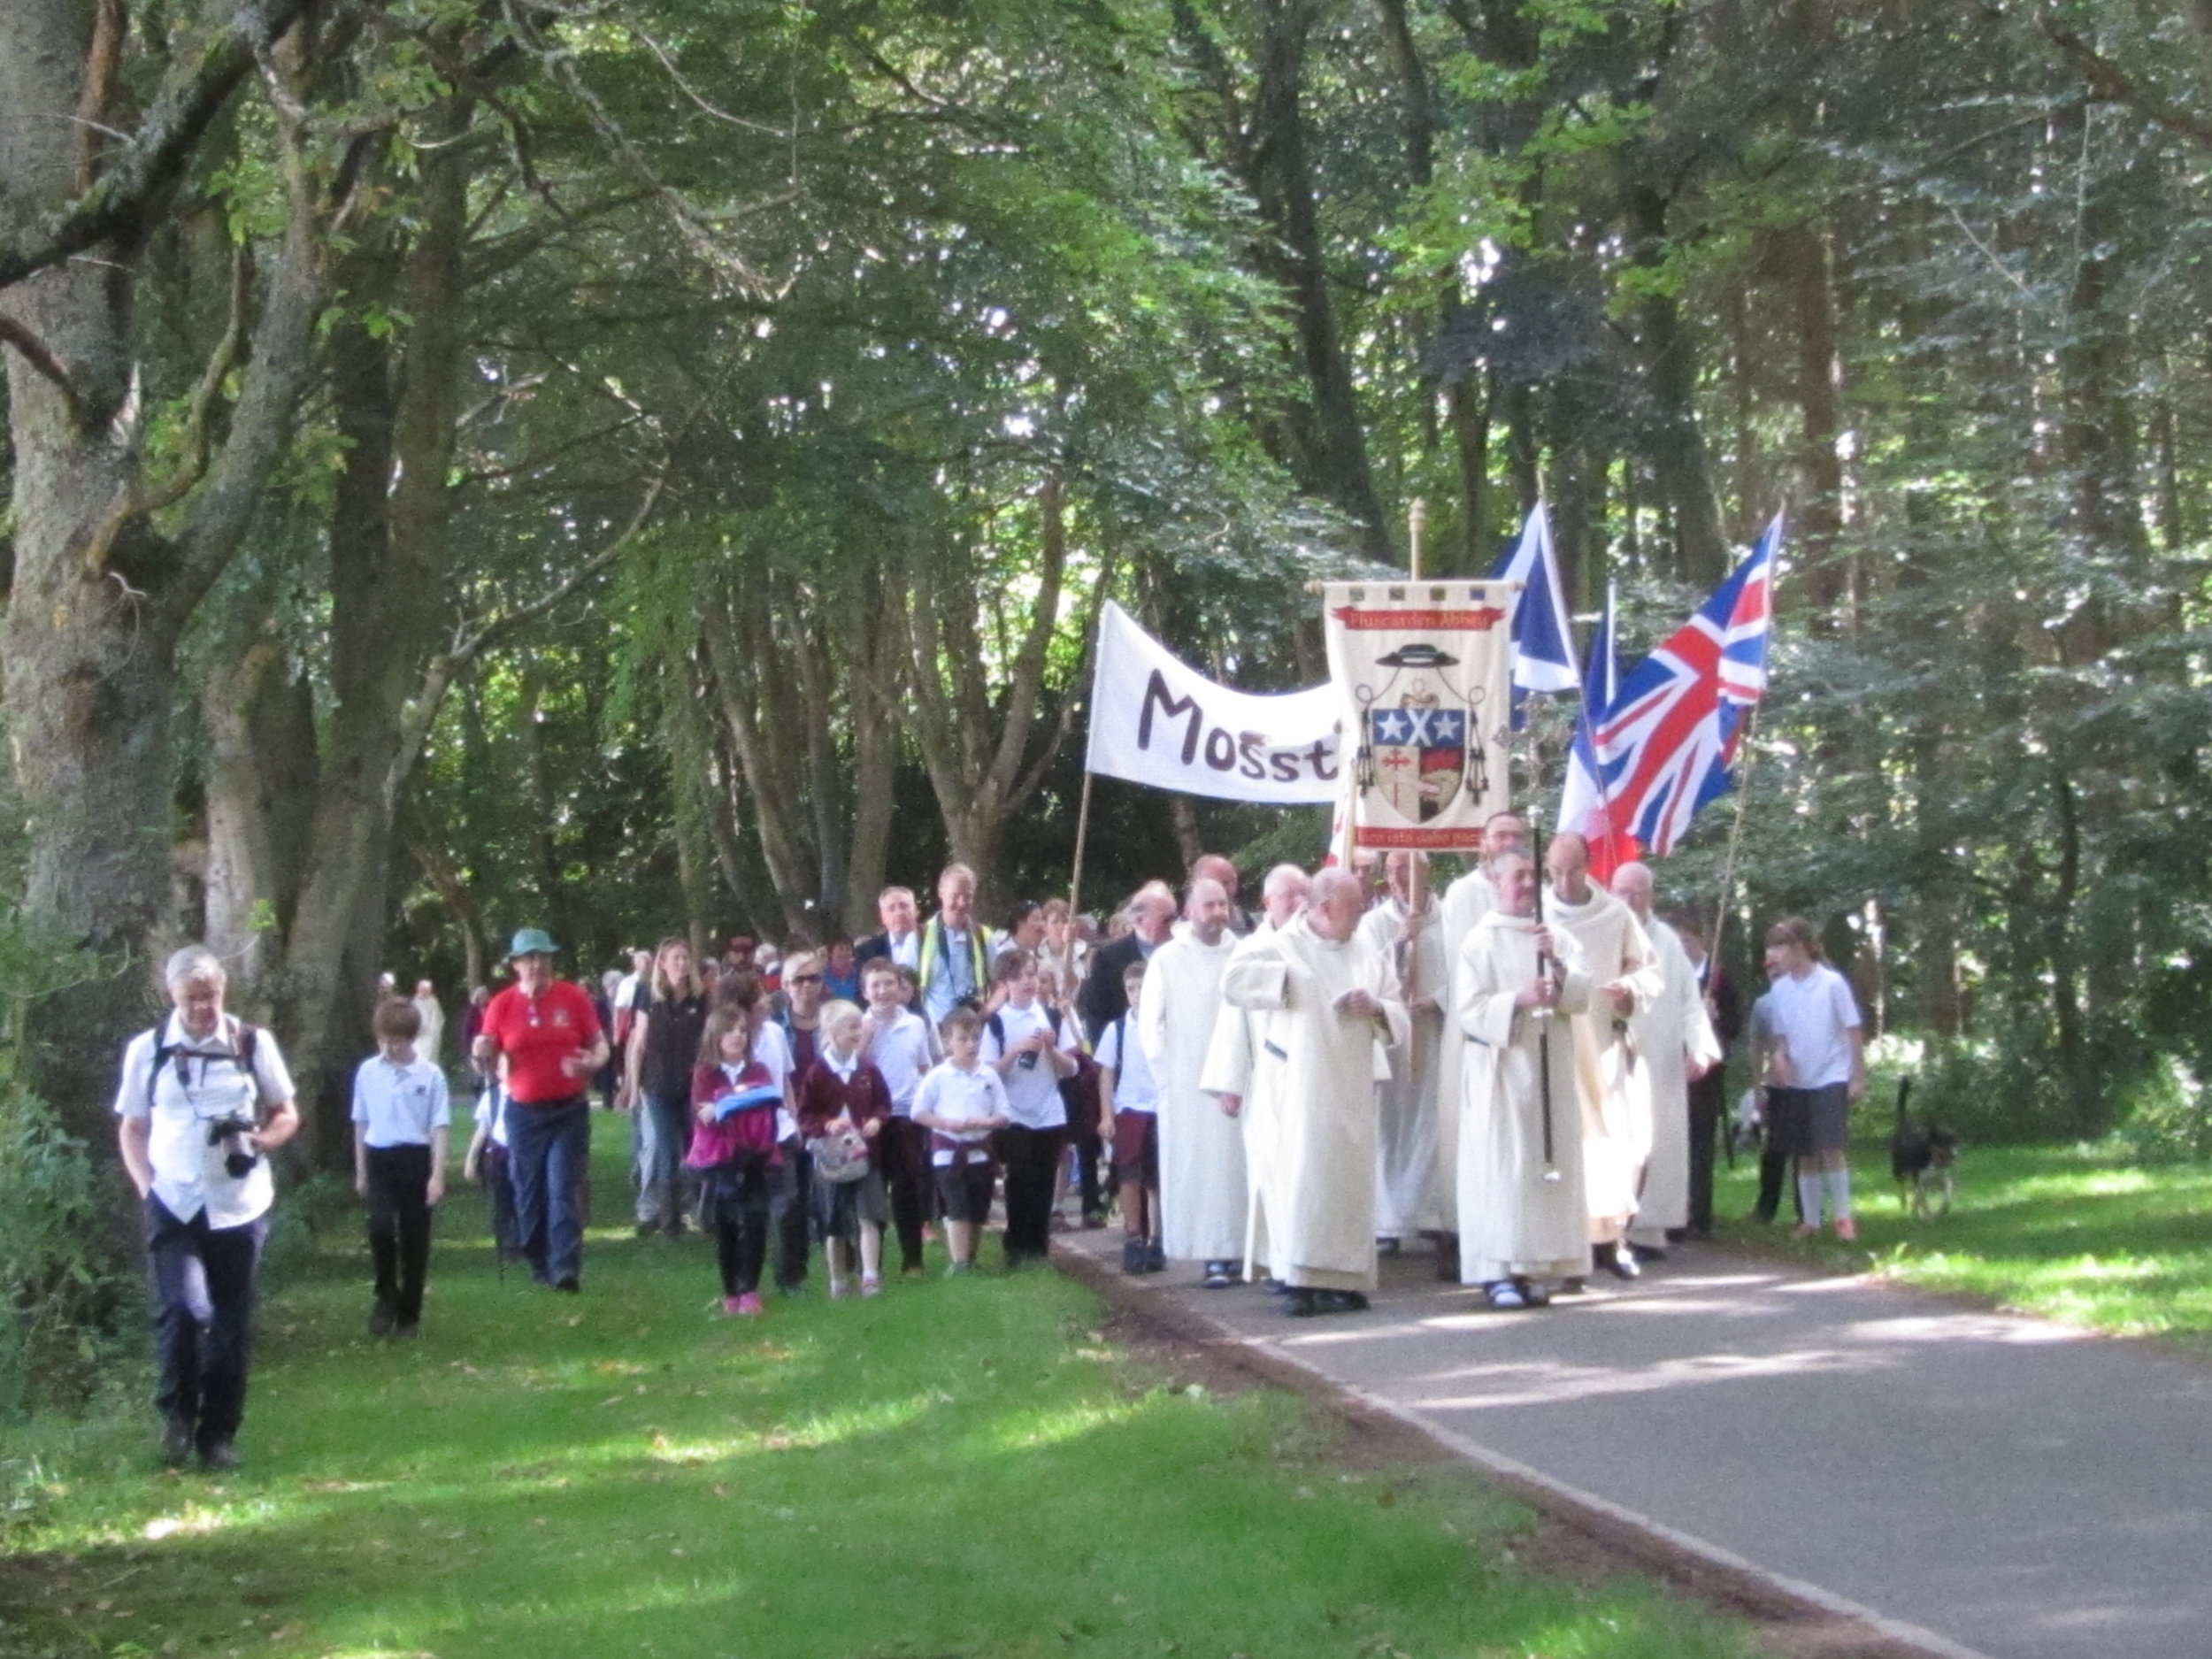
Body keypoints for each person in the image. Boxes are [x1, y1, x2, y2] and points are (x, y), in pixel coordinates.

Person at [114, 945, 301, 1471]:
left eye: (211, 995)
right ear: (172, 995)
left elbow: (287, 1112)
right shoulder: (147, 1051)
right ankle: (176, 1417)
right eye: (192, 998)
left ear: (224, 991)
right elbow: (131, 1127)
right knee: (183, 1309)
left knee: (231, 1322)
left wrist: (259, 1142)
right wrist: (146, 1186)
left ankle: (218, 1437)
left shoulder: (250, 1043)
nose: (203, 1007)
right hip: (173, 1200)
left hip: (239, 1203)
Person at [1219, 868, 1408, 1317]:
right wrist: (1288, 982)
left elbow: (1396, 1007)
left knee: (1346, 1184)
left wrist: (1376, 1007)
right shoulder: (1279, 945)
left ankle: (1343, 1279)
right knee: (1304, 1182)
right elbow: (1233, 981)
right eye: (1353, 906)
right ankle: (1299, 1281)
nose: (1361, 914)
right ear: (1323, 908)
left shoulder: (1365, 952)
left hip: (1351, 1088)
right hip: (1298, 1088)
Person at [1453, 850, 1592, 1308]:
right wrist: (1519, 998)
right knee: (1503, 1170)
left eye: (1533, 875)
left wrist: (1558, 970)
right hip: (1503, 1072)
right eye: (1518, 876)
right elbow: (1469, 1012)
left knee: (1541, 1169)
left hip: (1549, 1064)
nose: (1527, 884)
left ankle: (1535, 1267)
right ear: (1496, 882)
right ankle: (1497, 1272)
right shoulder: (1479, 943)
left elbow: (1581, 995)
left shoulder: (1554, 936)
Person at [1540, 833, 1662, 1283]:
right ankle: (1565, 1245)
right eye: (1555, 871)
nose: (1564, 881)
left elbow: (1648, 972)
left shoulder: (1615, 914)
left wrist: (1630, 991)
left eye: (1572, 871)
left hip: (1605, 1046)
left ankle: (1611, 1239)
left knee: (1615, 1147)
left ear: (1588, 865)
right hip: (1556, 1046)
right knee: (1564, 1148)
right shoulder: (1538, 916)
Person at [472, 928, 608, 1293]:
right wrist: (481, 1051)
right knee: (528, 1193)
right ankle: (538, 1260)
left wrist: (590, 1064)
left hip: (569, 1109)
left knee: (562, 1186)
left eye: (543, 958)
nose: (537, 965)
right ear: (516, 965)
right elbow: (484, 1061)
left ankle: (565, 1268)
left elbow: (600, 1046)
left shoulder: (573, 997)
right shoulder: (501, 1005)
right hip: (524, 1113)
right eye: (529, 959)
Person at [1200, 863, 1309, 1281]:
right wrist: (1231, 1082)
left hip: (1313, 1084)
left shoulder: (1320, 944)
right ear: (1267, 902)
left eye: (1304, 894)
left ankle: (1303, 1263)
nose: (1299, 903)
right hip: (1267, 1084)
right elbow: (1233, 1022)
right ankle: (1278, 1265)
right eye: (1289, 895)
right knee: (1272, 1175)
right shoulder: (1253, 950)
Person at [1432, 811, 1528, 1266]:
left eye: (1516, 835)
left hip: (1526, 1029)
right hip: (1473, 1023)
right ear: (1482, 843)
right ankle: (1459, 1230)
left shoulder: (1533, 894)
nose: (1508, 841)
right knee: (1465, 1132)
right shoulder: (1462, 894)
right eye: (1500, 835)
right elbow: (1462, 965)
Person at [1612, 864, 1722, 1256]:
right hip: (1610, 1056)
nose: (1628, 900)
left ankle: (1648, 1228)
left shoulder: (1668, 943)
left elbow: (1690, 1004)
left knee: (1658, 1139)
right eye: (1621, 892)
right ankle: (1606, 1229)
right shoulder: (1604, 933)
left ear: (1650, 896)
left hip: (1658, 1059)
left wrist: (1700, 1046)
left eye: (1636, 893)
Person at [1141, 877, 1243, 1286]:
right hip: (1187, 1084)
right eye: (1209, 905)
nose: (1218, 913)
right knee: (1203, 1171)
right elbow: (1152, 1026)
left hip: (1236, 1080)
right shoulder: (1167, 960)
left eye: (1223, 904)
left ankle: (1240, 1249)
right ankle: (1212, 1254)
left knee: (1237, 1168)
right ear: (1189, 910)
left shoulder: (1243, 954)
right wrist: (1169, 1078)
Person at [1749, 917, 1867, 1240]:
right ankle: (1810, 1220)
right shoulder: (1781, 990)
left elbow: (1852, 1029)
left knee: (1830, 1146)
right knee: (1803, 1151)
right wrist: (1779, 1058)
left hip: (1830, 1075)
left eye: (1779, 947)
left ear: (1800, 948)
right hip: (1798, 1079)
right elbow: (1781, 1035)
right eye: (1770, 948)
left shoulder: (1832, 983)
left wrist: (1857, 1075)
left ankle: (1843, 1217)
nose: (1773, 956)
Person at [1356, 851, 1448, 1256]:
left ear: (1426, 872)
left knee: (1434, 1121)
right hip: (1394, 1036)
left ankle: (1430, 1213)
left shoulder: (1451, 920)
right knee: (1391, 1125)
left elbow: (1467, 970)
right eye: (1391, 871)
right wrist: (1399, 942)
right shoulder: (1374, 924)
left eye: (1407, 870)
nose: (1398, 879)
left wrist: (1438, 1000)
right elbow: (1363, 974)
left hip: (1435, 1031)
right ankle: (1388, 1219)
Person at [352, 997, 451, 1339]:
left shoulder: (430, 1074)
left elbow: (439, 1126)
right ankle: (385, 1293)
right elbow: (361, 1122)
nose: (391, 1047)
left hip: (415, 1157)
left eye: (398, 1040)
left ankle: (410, 1313)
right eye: (385, 1039)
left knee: (414, 1236)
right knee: (380, 1227)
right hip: (379, 1156)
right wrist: (361, 1171)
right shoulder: (368, 1072)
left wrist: (437, 1174)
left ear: (412, 1038)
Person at [978, 949, 1079, 1267]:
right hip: (1014, 1112)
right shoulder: (996, 1023)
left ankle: (1039, 1247)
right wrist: (1015, 1051)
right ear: (1005, 983)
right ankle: (1017, 1246)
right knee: (1019, 1178)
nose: (1028, 982)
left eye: (1032, 974)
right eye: (1019, 976)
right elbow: (987, 1071)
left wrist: (1050, 1048)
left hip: (1049, 1110)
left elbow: (1071, 1068)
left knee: (1044, 1179)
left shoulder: (1051, 1016)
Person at [688, 1000, 784, 1316]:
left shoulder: (759, 1070)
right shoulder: (705, 1073)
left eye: (743, 1030)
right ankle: (731, 1288)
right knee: (726, 1222)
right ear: (716, 1036)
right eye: (730, 1030)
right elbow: (705, 1114)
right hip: (722, 1160)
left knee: (756, 1218)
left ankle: (751, 1288)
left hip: (755, 1155)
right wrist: (738, 1102)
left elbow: (768, 1102)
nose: (738, 1036)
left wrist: (727, 1104)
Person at [796, 1000, 893, 1298]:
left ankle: (870, 1276)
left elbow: (883, 1103)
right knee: (834, 1223)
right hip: (832, 1161)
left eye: (859, 1026)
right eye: (852, 1026)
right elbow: (805, 1115)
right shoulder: (818, 1072)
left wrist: (877, 1120)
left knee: (868, 1215)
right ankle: (837, 1281)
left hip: (866, 1156)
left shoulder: (867, 1069)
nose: (858, 1031)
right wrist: (826, 1124)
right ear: (833, 1031)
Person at [912, 1007, 1010, 1273]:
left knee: (978, 1208)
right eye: (963, 1038)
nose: (971, 1045)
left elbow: (1003, 1112)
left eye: (976, 1038)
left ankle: (971, 1257)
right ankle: (958, 1263)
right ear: (948, 1041)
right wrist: (946, 1124)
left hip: (980, 1151)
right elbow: (918, 1112)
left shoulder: (988, 1075)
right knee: (957, 1207)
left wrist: (988, 1122)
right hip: (949, 1153)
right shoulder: (938, 1076)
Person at [857, 956, 938, 1276]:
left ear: (900, 987)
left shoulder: (915, 1024)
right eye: (874, 985)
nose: (882, 991)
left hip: (906, 1114)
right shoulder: (860, 1025)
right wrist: (865, 1037)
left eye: (888, 983)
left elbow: (924, 1067)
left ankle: (912, 1259)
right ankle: (870, 1262)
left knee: (907, 1187)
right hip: (872, 1118)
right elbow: (851, 1067)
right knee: (873, 1188)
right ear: (864, 992)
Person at [623, 936, 708, 1237]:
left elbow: (707, 1043)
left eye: (686, 958)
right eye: (675, 958)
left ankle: (700, 1211)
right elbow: (638, 1043)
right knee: (665, 1149)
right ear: (662, 962)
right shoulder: (647, 994)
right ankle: (669, 1220)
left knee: (695, 1147)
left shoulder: (700, 998)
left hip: (691, 1085)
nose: (681, 963)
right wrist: (633, 1087)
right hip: (657, 1084)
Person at [1094, 959, 1164, 1274]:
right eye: (1131, 988)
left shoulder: (1164, 1024)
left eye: (1142, 987)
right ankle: (1134, 1235)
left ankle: (1157, 1238)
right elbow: (1106, 1073)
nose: (1136, 994)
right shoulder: (1117, 1029)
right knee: (1129, 1174)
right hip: (1129, 1108)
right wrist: (1107, 1114)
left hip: (1161, 1107)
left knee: (1157, 1179)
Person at [1676, 913, 1742, 1238]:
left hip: (1705, 1074)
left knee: (1701, 1141)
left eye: (1686, 940)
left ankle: (1700, 1214)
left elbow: (1734, 1025)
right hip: (1673, 1066)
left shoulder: (1718, 979)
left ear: (1700, 939)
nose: (1682, 948)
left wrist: (1716, 1017)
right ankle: (1675, 1212)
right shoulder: (1670, 974)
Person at [1077, 881, 1176, 1037]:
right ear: (1139, 921)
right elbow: (1095, 1016)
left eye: (1174, 918)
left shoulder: (1183, 953)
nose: (1173, 926)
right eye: (1166, 920)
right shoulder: (1108, 959)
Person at [918, 865, 998, 1025]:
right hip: (935, 1028)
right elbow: (905, 988)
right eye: (955, 896)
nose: (961, 903)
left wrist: (984, 1013)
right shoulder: (920, 935)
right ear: (941, 892)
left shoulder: (983, 936)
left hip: (973, 1028)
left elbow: (998, 986)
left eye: (967, 897)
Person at [855, 887, 923, 972]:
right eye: (891, 908)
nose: (899, 913)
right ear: (883, 917)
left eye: (904, 906)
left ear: (916, 911)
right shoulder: (867, 951)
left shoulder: (933, 942)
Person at [1189, 852, 1256, 935]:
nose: (1222, 890)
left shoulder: (1254, 925)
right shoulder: (1180, 934)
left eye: (1229, 882)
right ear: (1196, 885)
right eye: (1215, 883)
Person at [411, 979, 446, 1068]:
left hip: (431, 1037)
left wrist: (433, 1033)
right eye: (423, 989)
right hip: (418, 1038)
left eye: (427, 990)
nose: (425, 992)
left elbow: (439, 1019)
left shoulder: (433, 1003)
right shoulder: (413, 1004)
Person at [821, 937, 863, 1002]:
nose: (844, 953)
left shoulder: (860, 975)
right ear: (831, 953)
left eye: (848, 949)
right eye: (840, 949)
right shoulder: (822, 977)